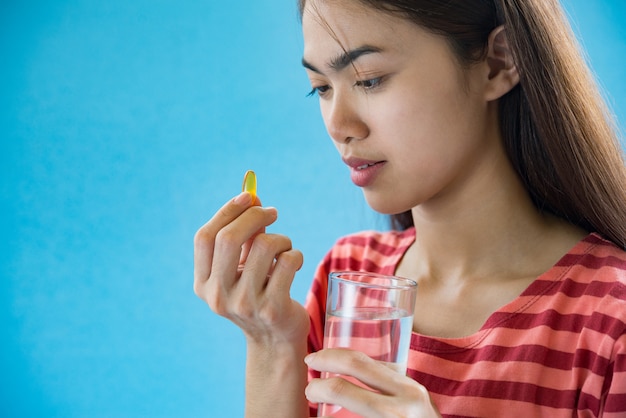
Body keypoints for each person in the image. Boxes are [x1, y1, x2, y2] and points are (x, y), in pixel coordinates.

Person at [194, 0, 626, 416]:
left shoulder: (612, 319)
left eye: (369, 79)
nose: (339, 126)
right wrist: (271, 343)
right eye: (321, 88)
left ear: (498, 62)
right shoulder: (348, 279)